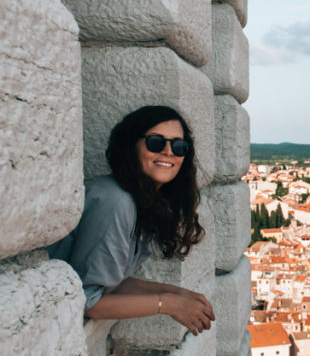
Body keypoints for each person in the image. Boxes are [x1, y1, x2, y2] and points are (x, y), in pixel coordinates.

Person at [49, 105, 215, 336]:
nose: (169, 152)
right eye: (156, 142)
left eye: (178, 146)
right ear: (131, 147)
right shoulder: (116, 201)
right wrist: (167, 304)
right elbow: (89, 300)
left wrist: (177, 294)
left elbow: (110, 282)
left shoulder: (141, 201)